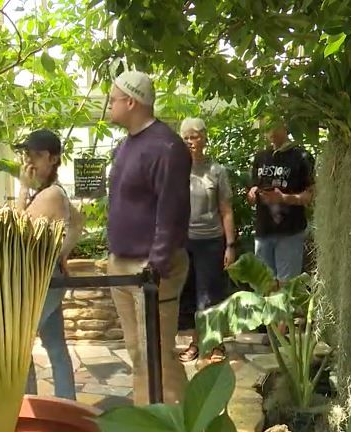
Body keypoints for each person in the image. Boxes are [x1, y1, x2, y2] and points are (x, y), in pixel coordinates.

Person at [106, 70, 191, 405]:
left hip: (151, 268)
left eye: (113, 99)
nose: (109, 105)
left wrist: (155, 267)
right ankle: (147, 415)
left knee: (156, 352)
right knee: (137, 351)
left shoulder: (166, 147)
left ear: (131, 101)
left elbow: (172, 212)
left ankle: (179, 422)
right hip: (122, 264)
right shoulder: (126, 146)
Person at [15, 129, 81, 400]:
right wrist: (62, 253)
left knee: (17, 346)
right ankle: (68, 405)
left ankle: (24, 407)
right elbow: (78, 221)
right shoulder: (51, 193)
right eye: (27, 154)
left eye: (37, 155)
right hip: (47, 278)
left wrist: (21, 188)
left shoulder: (51, 194)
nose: (30, 161)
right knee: (55, 346)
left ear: (53, 159)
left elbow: (15, 232)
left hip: (41, 281)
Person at [175, 117, 237, 363]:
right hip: (184, 243)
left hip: (211, 242)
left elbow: (226, 210)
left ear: (205, 138)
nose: (191, 141)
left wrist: (230, 245)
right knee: (189, 295)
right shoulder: (177, 171)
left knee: (210, 295)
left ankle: (215, 345)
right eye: (187, 137)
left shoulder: (217, 171)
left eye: (195, 136)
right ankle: (195, 343)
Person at [247, 117, 315, 281]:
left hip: (290, 232)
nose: (271, 132)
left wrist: (284, 198)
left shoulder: (302, 156)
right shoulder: (260, 157)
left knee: (286, 288)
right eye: (267, 128)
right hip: (263, 232)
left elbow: (309, 196)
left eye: (274, 126)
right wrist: (252, 192)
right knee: (265, 286)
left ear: (285, 127)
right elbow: (251, 192)